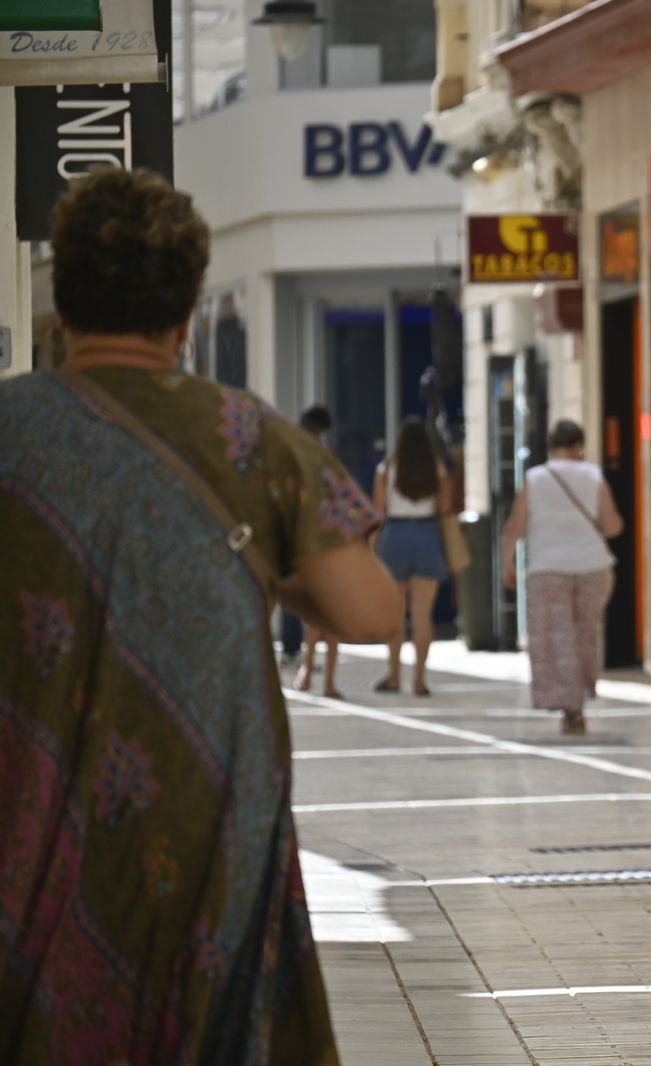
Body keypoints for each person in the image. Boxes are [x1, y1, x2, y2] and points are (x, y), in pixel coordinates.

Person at [0, 168, 402, 1063]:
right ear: (185, 318)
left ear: (61, 306)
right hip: (201, 822)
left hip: (22, 817)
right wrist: (277, 576)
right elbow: (371, 609)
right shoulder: (244, 436)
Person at [499, 419, 624, 736]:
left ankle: (569, 706)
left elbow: (515, 526)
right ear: (579, 445)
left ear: (551, 445)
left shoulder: (534, 478)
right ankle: (578, 702)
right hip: (593, 566)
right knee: (584, 635)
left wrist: (508, 562)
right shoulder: (593, 475)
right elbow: (611, 526)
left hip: (547, 568)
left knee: (557, 639)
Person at [371, 416, 452, 696]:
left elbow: (378, 512)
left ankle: (394, 675)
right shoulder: (437, 469)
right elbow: (446, 506)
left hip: (395, 534)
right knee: (422, 615)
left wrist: (372, 545)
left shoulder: (386, 469)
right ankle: (420, 679)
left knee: (394, 614)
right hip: (427, 534)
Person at [290, 405, 347, 698]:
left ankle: (308, 671)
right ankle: (327, 681)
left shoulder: (292, 457)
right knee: (331, 613)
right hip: (329, 542)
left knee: (313, 615)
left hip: (303, 543)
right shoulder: (327, 461)